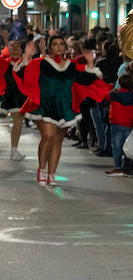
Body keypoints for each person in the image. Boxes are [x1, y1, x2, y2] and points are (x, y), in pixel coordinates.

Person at [21, 35, 108, 184]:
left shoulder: (72, 65)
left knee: (57, 141)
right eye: (55, 44)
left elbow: (87, 80)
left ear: (66, 47)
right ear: (50, 47)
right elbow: (25, 76)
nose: (59, 46)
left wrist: (91, 64)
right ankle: (42, 169)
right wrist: (27, 57)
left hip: (65, 107)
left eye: (62, 44)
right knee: (48, 136)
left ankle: (52, 174)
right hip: (45, 106)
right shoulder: (40, 63)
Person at [105, 75, 133, 177]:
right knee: (127, 146)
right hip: (129, 123)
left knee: (116, 147)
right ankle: (127, 166)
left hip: (116, 123)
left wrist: (110, 87)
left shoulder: (114, 94)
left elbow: (105, 96)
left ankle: (117, 167)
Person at [1, 39, 32, 160]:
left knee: (18, 123)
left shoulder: (26, 62)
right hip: (5, 96)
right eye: (12, 47)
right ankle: (14, 150)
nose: (15, 49)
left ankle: (14, 149)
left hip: (19, 97)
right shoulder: (4, 62)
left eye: (17, 47)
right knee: (17, 123)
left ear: (21, 49)